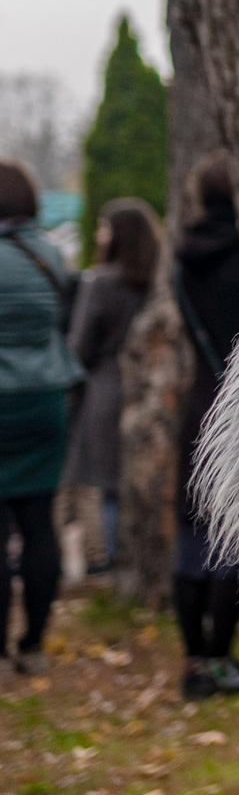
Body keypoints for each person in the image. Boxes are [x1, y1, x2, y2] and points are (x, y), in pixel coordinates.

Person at [172, 155, 239, 700]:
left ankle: (193, 664)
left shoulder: (182, 260)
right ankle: (220, 658)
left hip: (199, 400)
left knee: (191, 536)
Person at [0, 160, 84, 675]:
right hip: (47, 398)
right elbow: (66, 321)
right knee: (39, 523)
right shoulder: (52, 253)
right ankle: (34, 642)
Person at [64, 199, 161, 572]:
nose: (98, 235)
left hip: (105, 387)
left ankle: (109, 559)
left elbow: (80, 345)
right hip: (148, 385)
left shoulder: (100, 282)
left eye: (104, 228)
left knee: (107, 482)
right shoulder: (157, 281)